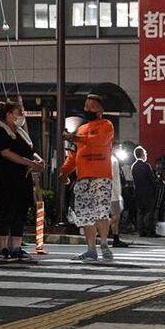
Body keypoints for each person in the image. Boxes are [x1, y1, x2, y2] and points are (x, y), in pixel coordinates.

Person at [60, 93, 116, 261]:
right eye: (86, 106)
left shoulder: (107, 125)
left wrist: (76, 137)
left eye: (92, 106)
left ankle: (104, 244)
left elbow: (100, 141)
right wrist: (64, 171)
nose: (88, 109)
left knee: (101, 212)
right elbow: (72, 156)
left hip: (101, 176)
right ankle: (91, 249)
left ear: (101, 110)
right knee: (86, 214)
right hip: (83, 177)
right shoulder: (81, 129)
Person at [0, 100, 44, 261]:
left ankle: (17, 247)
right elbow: (6, 153)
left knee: (20, 212)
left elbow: (30, 151)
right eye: (19, 112)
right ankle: (3, 248)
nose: (22, 116)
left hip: (23, 178)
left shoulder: (20, 132)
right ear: (8, 115)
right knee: (7, 211)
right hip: (7, 178)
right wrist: (30, 163)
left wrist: (39, 161)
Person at [131, 146, 158, 237]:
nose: (146, 155)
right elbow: (152, 180)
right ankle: (149, 231)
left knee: (140, 212)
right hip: (147, 192)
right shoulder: (146, 166)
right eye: (145, 154)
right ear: (142, 155)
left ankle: (141, 231)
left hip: (137, 192)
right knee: (149, 211)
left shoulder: (133, 166)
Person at [109, 153, 130, 247]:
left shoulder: (113, 159)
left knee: (117, 217)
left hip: (116, 191)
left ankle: (116, 238)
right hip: (113, 192)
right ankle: (99, 228)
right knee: (116, 216)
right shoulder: (112, 160)